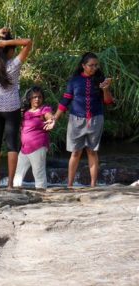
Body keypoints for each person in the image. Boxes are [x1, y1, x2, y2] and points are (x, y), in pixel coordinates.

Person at [47, 52, 114, 188]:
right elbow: (65, 100)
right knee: (76, 152)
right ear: (83, 65)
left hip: (96, 119)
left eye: (96, 65)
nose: (94, 68)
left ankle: (93, 185)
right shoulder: (75, 81)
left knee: (92, 151)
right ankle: (70, 185)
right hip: (76, 120)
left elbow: (108, 101)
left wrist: (106, 90)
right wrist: (55, 118)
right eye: (91, 65)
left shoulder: (101, 80)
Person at [0, 28, 32, 191]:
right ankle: (10, 185)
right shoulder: (14, 65)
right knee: (12, 145)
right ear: (10, 50)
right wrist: (7, 41)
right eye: (13, 49)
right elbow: (28, 42)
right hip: (12, 109)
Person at [12, 86, 54, 189]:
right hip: (25, 148)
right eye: (34, 97)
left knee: (38, 173)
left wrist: (51, 121)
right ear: (30, 98)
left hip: (38, 146)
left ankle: (41, 196)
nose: (37, 99)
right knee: (18, 173)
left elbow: (49, 116)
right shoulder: (25, 111)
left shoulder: (44, 109)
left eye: (39, 97)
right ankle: (15, 194)